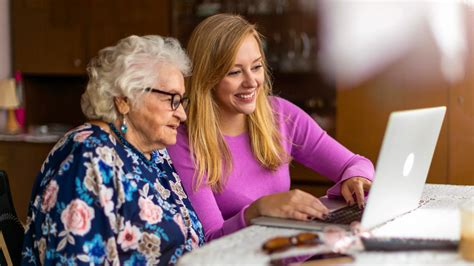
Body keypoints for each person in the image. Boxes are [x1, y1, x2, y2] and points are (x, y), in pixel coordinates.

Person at [167, 14, 375, 241]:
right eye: (234, 72)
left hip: (293, 251)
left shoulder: (280, 113)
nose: (251, 81)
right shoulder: (183, 138)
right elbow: (209, 240)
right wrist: (257, 210)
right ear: (208, 78)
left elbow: (355, 163)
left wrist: (355, 178)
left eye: (256, 67)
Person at [21, 35, 204, 265]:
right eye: (172, 100)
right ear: (125, 100)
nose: (182, 114)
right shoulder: (87, 156)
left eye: (182, 101)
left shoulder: (155, 153)